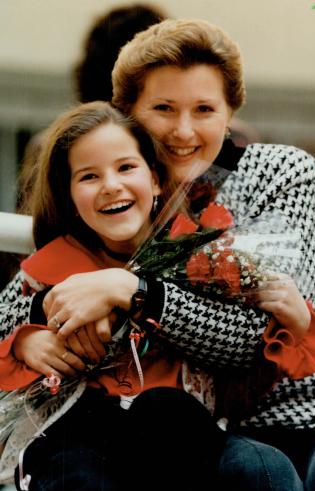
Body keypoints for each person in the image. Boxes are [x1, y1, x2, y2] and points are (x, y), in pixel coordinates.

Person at [1, 17, 315, 490]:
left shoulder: (280, 171)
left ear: (230, 110)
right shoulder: (120, 191)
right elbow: (34, 283)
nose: (184, 131)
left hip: (301, 411)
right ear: (129, 112)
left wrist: (130, 288)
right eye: (164, 108)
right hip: (171, 427)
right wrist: (30, 331)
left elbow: (267, 314)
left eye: (205, 110)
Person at [0, 100, 228, 491]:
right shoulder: (51, 266)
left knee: (170, 413)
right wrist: (25, 340)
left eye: (125, 167)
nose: (111, 185)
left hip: (173, 431)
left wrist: (136, 292)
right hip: (78, 433)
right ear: (69, 195)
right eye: (89, 176)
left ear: (156, 179)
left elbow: (237, 335)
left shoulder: (199, 259)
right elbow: (4, 317)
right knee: (73, 456)